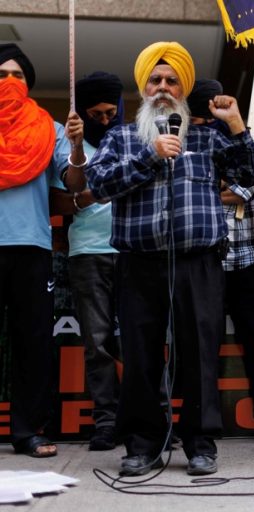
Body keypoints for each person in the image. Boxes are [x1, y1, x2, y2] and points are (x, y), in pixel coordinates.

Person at [86, 42, 254, 476]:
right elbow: (100, 183)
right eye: (155, 80)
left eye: (172, 81)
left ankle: (199, 442)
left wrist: (237, 124)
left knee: (199, 352)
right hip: (139, 262)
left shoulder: (207, 136)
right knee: (141, 355)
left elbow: (252, 174)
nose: (163, 88)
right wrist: (150, 155)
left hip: (198, 261)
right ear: (142, 87)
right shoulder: (122, 137)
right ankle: (142, 443)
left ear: (183, 89)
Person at [187, 79, 254, 444]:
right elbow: (196, 188)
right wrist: (224, 192)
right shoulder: (191, 143)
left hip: (249, 253)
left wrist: (222, 190)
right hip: (204, 257)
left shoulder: (251, 140)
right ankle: (197, 420)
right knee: (200, 340)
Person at [0, 43, 69, 458]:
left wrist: (76, 148)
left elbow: (72, 184)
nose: (10, 82)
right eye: (2, 75)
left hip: (32, 247)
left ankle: (27, 431)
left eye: (18, 75)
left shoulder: (50, 127)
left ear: (29, 84)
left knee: (33, 343)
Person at [55, 71, 124, 451]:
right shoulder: (72, 147)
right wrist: (79, 148)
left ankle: (151, 417)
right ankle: (106, 422)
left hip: (131, 250)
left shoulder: (131, 141)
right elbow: (64, 196)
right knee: (97, 343)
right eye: (95, 114)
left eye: (110, 112)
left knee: (139, 341)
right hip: (88, 253)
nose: (104, 121)